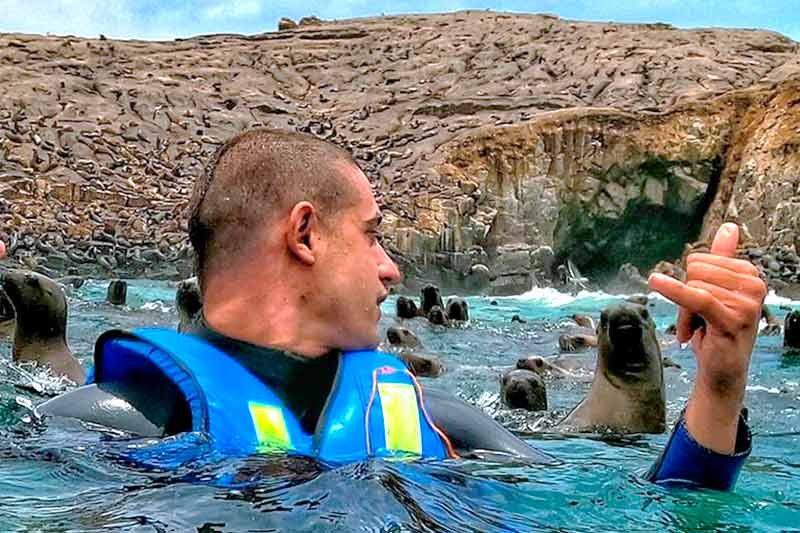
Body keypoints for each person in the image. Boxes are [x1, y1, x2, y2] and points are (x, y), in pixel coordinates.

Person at [8, 129, 765, 490]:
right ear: (304, 234)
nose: (391, 266)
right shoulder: (93, 426)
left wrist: (721, 383)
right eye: (373, 235)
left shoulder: (435, 423)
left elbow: (652, 510)